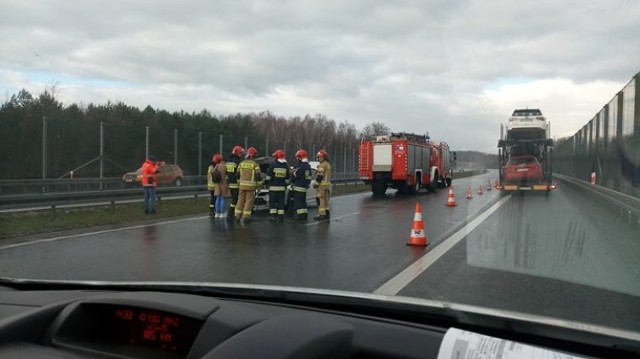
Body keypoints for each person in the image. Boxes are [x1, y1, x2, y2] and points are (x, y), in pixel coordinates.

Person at [234, 147, 261, 223]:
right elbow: (258, 176)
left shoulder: (241, 163)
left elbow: (237, 175)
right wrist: (259, 185)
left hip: (242, 186)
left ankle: (237, 215)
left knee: (240, 200)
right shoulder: (255, 164)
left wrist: (239, 183)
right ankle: (246, 217)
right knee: (249, 201)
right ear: (254, 155)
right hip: (251, 187)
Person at [265, 149, 290, 222]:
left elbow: (268, 177)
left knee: (272, 202)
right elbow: (287, 179)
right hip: (282, 189)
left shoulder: (273, 165)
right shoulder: (285, 166)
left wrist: (266, 183)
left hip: (273, 188)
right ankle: (281, 216)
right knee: (281, 203)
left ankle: (273, 216)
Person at [291, 149, 312, 220]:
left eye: (298, 157)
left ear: (300, 157)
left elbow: (296, 175)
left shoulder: (301, 166)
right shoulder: (308, 166)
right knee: (303, 202)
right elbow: (309, 177)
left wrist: (293, 173)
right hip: (304, 187)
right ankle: (304, 214)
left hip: (298, 186)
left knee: (298, 202)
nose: (297, 158)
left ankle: (299, 215)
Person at [225, 145, 244, 220]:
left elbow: (227, 173)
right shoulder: (237, 161)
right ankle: (230, 213)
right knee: (235, 199)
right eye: (240, 153)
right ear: (237, 153)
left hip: (230, 182)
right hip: (236, 183)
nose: (241, 154)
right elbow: (239, 173)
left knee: (234, 198)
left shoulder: (229, 161)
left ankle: (232, 213)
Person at [313, 149, 332, 221]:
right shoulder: (327, 164)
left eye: (319, 157)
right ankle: (327, 213)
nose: (318, 158)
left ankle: (322, 215)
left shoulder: (322, 165)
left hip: (321, 186)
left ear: (322, 157)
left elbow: (320, 176)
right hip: (326, 185)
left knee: (321, 200)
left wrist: (316, 184)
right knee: (326, 200)